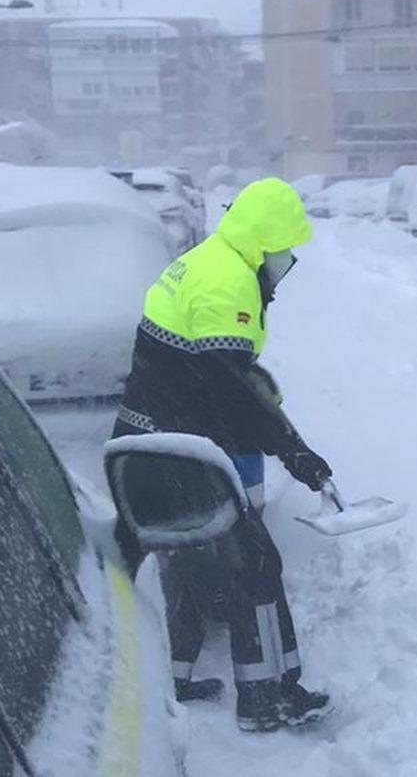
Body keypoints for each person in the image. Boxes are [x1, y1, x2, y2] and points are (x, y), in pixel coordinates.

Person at [111, 177, 334, 733]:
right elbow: (225, 385)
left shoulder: (208, 257)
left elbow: (212, 369)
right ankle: (268, 700)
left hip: (146, 440)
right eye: (281, 253)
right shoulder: (228, 282)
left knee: (185, 557)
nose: (283, 266)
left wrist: (255, 393)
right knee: (254, 563)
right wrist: (294, 451)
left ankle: (176, 676)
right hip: (178, 453)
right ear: (261, 246)